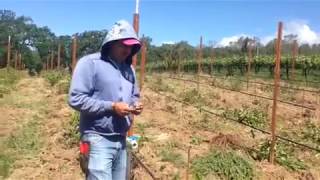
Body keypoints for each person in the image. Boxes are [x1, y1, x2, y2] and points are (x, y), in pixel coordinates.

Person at [68, 19, 143, 180]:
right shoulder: (90, 63)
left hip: (121, 138)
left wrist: (135, 105)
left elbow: (134, 95)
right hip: (97, 137)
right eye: (124, 45)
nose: (128, 50)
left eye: (131, 46)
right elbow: (76, 98)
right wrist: (111, 106)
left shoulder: (129, 70)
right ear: (111, 43)